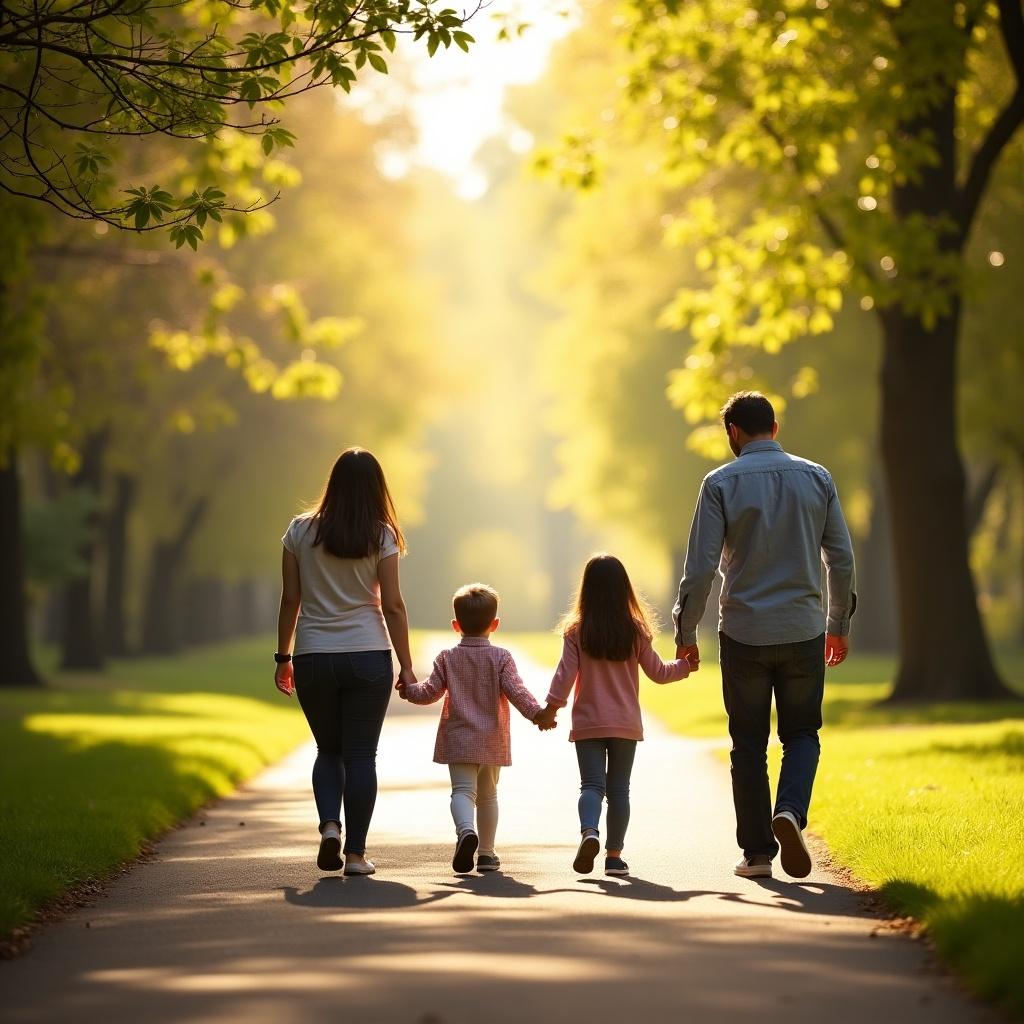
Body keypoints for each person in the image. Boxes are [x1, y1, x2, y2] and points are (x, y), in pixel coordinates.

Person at [673, 391, 856, 881]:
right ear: (774, 428)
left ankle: (757, 855)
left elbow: (700, 570)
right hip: (802, 629)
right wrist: (837, 625)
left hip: (744, 632)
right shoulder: (818, 478)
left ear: (733, 432)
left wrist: (686, 630)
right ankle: (790, 813)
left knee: (747, 742)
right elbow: (840, 559)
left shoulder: (718, 484)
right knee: (801, 734)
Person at [274, 447, 417, 876]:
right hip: (368, 656)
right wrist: (407, 665)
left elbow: (290, 599)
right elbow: (392, 604)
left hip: (315, 655)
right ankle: (355, 855)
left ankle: (330, 827)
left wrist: (283, 657)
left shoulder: (299, 531)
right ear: (376, 489)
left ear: (333, 483)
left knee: (328, 750)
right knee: (360, 757)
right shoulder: (381, 535)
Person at [534, 554, 690, 877]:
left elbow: (565, 675)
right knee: (620, 790)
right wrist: (685, 666)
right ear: (624, 590)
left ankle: (589, 831)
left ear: (587, 590)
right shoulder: (635, 630)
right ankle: (614, 857)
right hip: (625, 725)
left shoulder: (576, 632)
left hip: (589, 724)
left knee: (591, 786)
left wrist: (550, 709)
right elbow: (658, 672)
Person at [397, 583, 553, 874]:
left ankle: (465, 831)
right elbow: (517, 692)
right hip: (492, 739)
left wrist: (408, 690)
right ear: (494, 624)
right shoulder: (502, 658)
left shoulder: (447, 657)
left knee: (462, 792)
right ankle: (486, 853)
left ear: (456, 625)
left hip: (458, 738)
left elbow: (429, 692)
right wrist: (538, 715)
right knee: (489, 796)